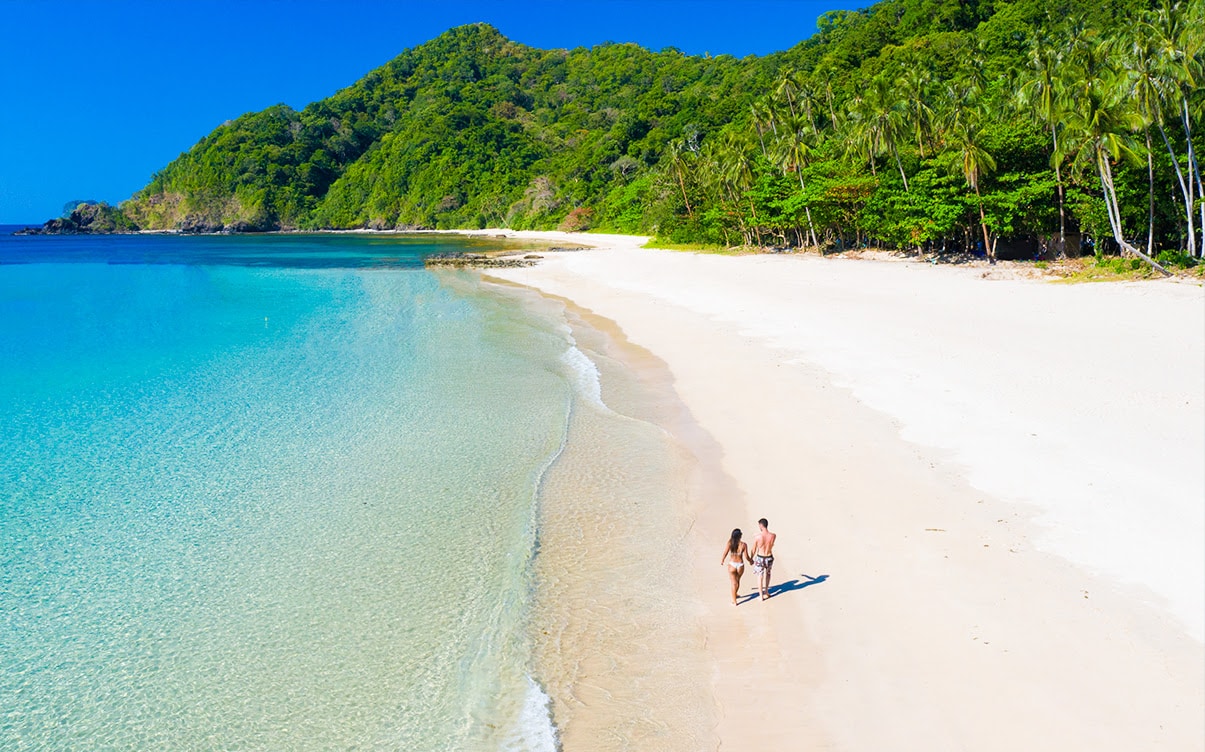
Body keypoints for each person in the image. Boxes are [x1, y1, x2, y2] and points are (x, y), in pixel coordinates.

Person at [720, 528, 750, 606]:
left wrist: (722, 560)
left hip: (732, 564)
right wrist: (751, 561)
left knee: (733, 583)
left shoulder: (730, 543)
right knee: (738, 580)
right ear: (740, 536)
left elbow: (725, 553)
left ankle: (734, 601)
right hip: (740, 565)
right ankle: (735, 594)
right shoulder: (743, 544)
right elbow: (746, 556)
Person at [749, 518, 776, 601]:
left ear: (761, 525)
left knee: (760, 576)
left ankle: (761, 596)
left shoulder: (758, 537)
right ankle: (766, 592)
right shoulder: (773, 536)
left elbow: (753, 549)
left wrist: (750, 558)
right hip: (769, 556)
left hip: (761, 557)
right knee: (768, 574)